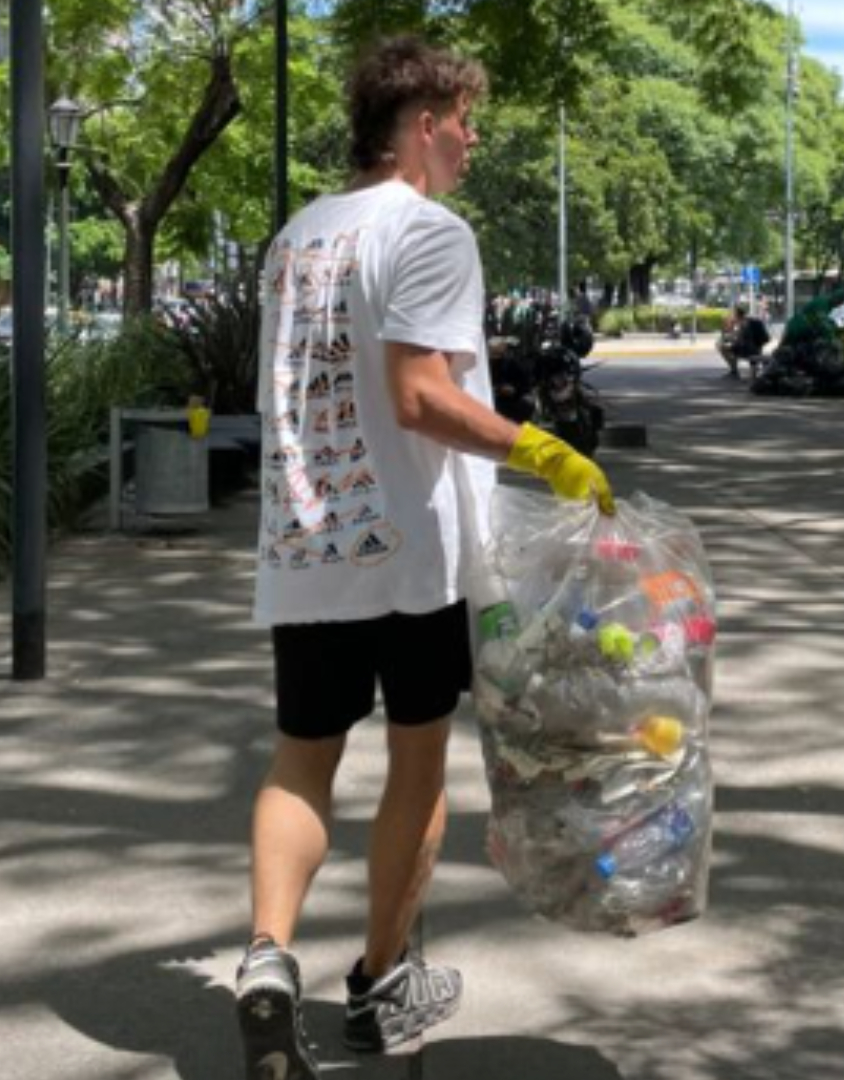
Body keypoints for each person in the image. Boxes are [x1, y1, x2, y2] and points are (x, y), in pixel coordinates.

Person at [236, 36, 613, 1079]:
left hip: (309, 545)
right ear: (420, 126)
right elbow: (420, 396)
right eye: (462, 120)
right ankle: (381, 981)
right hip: (410, 556)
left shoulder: (296, 238)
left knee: (302, 758)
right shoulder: (430, 231)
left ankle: (268, 961)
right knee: (416, 759)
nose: (472, 140)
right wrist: (542, 450)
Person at [719, 303, 770, 378]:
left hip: (747, 350)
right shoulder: (751, 321)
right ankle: (753, 370)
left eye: (734, 314)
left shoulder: (743, 323)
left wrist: (729, 341)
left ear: (737, 315)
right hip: (757, 349)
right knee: (733, 347)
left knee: (723, 348)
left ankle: (734, 371)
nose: (732, 316)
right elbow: (766, 338)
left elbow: (739, 340)